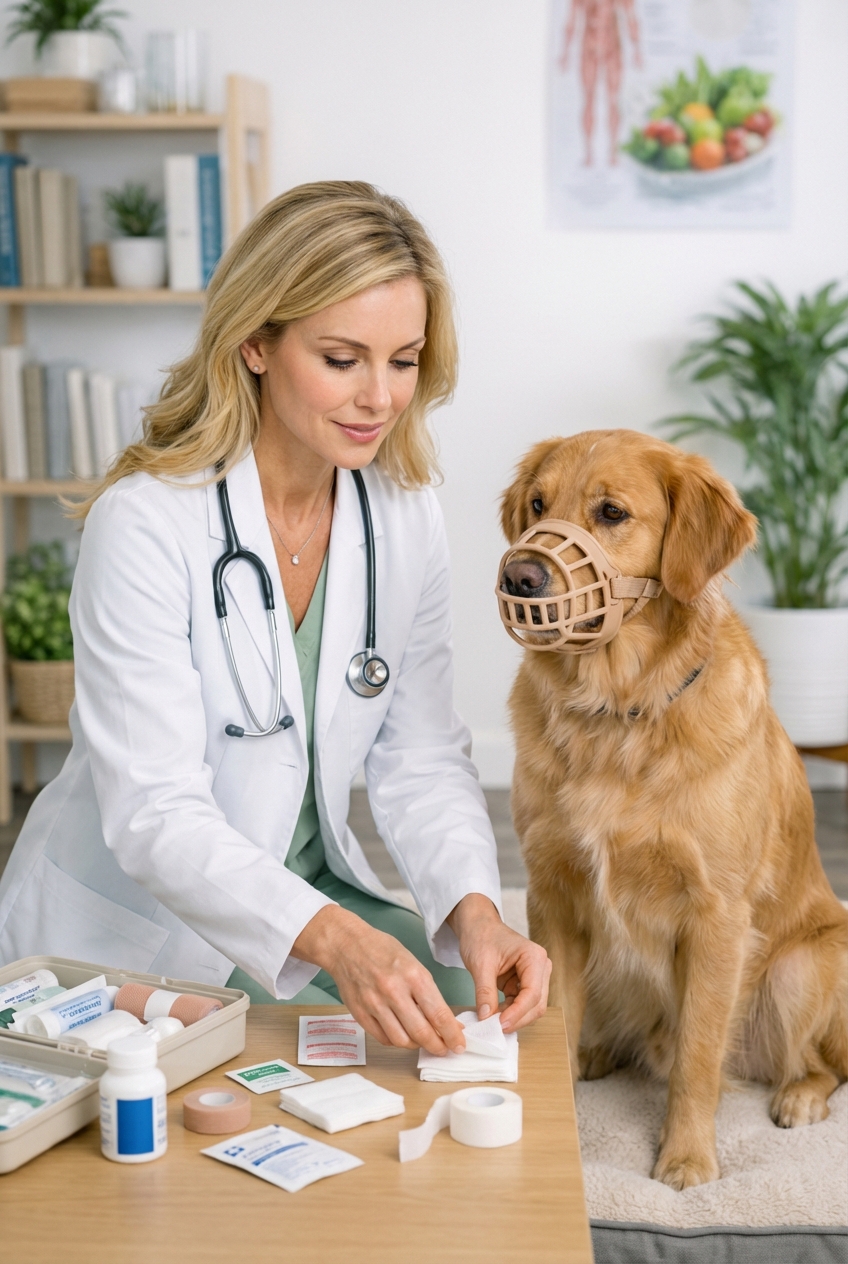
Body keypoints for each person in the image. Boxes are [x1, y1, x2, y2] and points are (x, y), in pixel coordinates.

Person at [0, 182, 550, 1056]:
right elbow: (154, 812)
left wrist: (473, 909)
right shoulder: (145, 522)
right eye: (342, 359)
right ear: (255, 342)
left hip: (308, 881)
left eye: (403, 360)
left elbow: (420, 753)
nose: (380, 396)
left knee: (465, 1007)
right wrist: (337, 940)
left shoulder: (402, 517)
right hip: (154, 913)